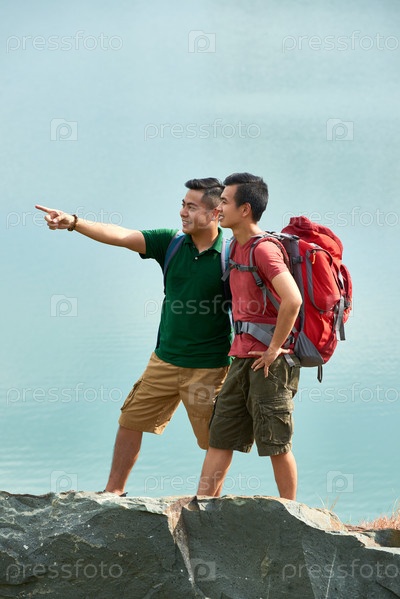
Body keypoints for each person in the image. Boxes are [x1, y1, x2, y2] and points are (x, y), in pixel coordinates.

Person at [35, 177, 232, 496]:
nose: (183, 212)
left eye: (192, 207)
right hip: (164, 361)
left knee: (216, 440)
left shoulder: (231, 255)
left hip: (209, 368)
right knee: (130, 420)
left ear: (215, 214)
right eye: (183, 204)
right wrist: (73, 222)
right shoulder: (171, 243)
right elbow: (121, 235)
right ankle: (113, 493)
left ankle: (208, 506)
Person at [197, 173, 302, 500]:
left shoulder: (264, 250)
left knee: (276, 443)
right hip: (241, 358)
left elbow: (293, 299)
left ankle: (290, 514)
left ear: (245, 210)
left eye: (225, 202)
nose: (218, 208)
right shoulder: (234, 247)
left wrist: (273, 349)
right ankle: (201, 508)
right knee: (220, 437)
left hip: (269, 363)